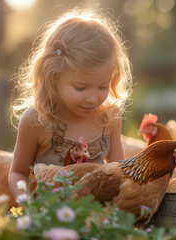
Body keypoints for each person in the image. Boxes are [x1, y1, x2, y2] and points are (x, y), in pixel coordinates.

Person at [9, 7, 132, 200]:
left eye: (102, 86)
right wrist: (28, 207)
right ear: (53, 77)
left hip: (95, 213)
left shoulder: (110, 118)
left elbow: (119, 173)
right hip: (49, 214)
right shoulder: (37, 121)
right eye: (80, 88)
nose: (93, 98)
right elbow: (17, 173)